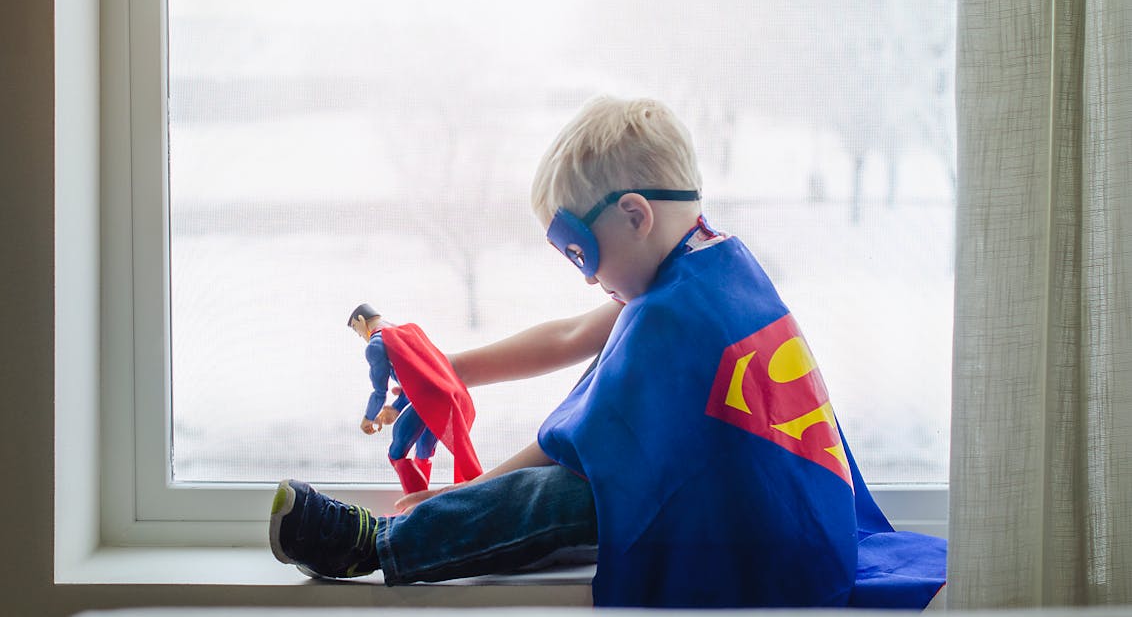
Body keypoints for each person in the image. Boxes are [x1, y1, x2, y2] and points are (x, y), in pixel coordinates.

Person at [269, 96, 946, 608]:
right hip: (789, 512)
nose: (588, 276)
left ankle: (373, 546)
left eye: (581, 254)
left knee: (558, 499)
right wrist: (451, 371)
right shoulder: (713, 263)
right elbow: (573, 335)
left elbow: (572, 450)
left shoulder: (676, 316)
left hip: (755, 528)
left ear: (634, 215)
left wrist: (463, 493)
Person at [347, 303, 482, 494]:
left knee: (397, 452)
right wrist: (396, 407)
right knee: (425, 447)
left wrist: (368, 418)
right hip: (450, 393)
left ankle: (417, 504)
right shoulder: (409, 331)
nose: (359, 336)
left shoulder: (376, 345)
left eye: (356, 330)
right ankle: (423, 503)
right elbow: (419, 378)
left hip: (430, 399)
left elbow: (379, 392)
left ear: (361, 321)